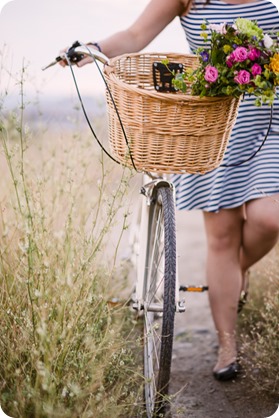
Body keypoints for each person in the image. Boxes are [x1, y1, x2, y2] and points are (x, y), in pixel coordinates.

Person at [60, 0, 279, 381]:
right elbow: (136, 35)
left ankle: (234, 273)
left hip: (267, 125)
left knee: (269, 218)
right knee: (223, 239)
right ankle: (227, 347)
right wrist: (92, 48)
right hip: (210, 128)